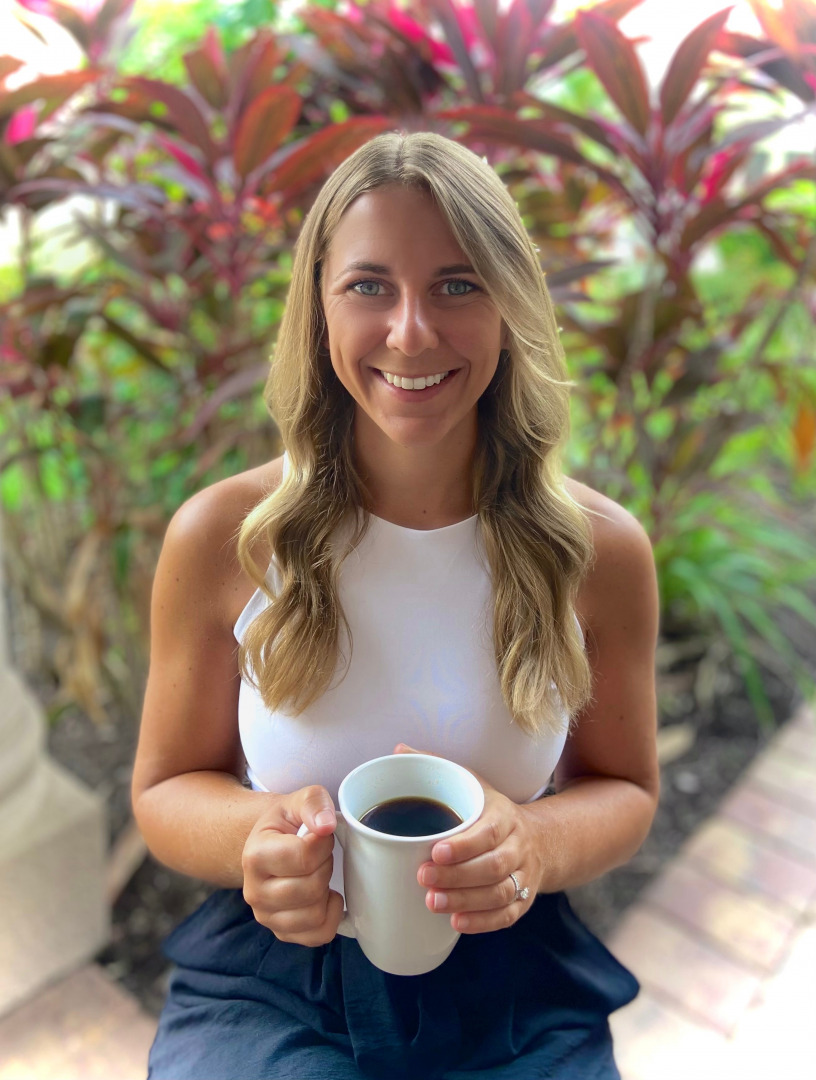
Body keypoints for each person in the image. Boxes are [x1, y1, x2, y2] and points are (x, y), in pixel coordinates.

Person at [134, 130, 659, 1080]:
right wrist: (256, 837)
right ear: (319, 308)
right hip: (278, 978)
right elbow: (165, 789)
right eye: (369, 285)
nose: (411, 331)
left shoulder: (599, 551)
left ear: (510, 306)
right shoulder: (225, 537)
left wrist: (535, 843)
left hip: (513, 978)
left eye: (457, 285)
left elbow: (628, 791)